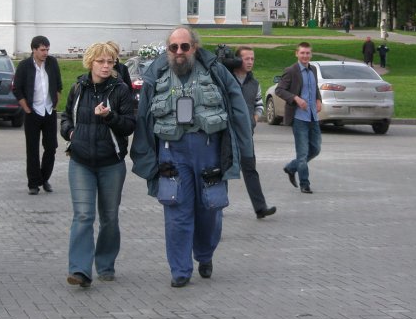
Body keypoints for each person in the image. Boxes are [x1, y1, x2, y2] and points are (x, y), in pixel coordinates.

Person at [131, 26, 253, 288]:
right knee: (176, 210)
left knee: (210, 209)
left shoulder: (215, 71)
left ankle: (205, 255)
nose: (178, 52)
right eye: (173, 47)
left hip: (208, 149)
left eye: (184, 47)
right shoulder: (157, 73)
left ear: (194, 48)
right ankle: (180, 270)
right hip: (171, 152)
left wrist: (246, 150)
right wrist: (143, 156)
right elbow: (143, 118)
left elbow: (238, 109)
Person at [59, 42, 135, 287]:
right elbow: (66, 116)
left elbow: (129, 125)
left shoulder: (120, 90)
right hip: (81, 162)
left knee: (109, 217)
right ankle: (80, 270)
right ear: (90, 62)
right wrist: (70, 133)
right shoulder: (78, 87)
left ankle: (105, 264)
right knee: (83, 215)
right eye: (101, 61)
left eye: (110, 62)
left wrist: (109, 116)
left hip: (111, 163)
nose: (105, 66)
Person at [12, 36, 62, 195]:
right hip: (33, 112)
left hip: (48, 111)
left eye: (47, 49)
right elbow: (17, 89)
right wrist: (26, 108)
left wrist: (55, 104)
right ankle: (33, 183)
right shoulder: (25, 65)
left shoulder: (52, 63)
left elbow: (59, 86)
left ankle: (44, 178)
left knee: (51, 147)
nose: (45, 53)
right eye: (42, 50)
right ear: (33, 50)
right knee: (32, 149)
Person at [231, 46, 276, 219]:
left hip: (246, 135)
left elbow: (259, 104)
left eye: (252, 59)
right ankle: (215, 206)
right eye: (246, 58)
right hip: (226, 133)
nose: (250, 62)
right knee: (221, 171)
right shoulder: (225, 79)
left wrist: (254, 119)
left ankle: (260, 207)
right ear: (237, 60)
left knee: (250, 169)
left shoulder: (254, 83)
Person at [275, 42, 322, 194]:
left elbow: (314, 88)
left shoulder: (313, 69)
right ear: (297, 54)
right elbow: (279, 90)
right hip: (299, 117)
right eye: (302, 53)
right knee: (302, 153)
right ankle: (305, 184)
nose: (305, 56)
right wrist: (295, 98)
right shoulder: (291, 71)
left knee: (315, 149)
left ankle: (291, 168)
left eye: (308, 53)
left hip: (313, 116)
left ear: (311, 54)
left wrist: (318, 99)